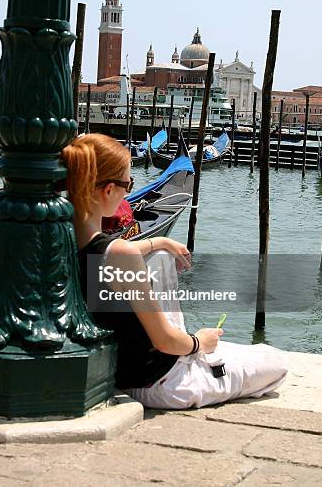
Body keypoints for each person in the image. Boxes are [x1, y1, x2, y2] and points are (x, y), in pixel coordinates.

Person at [61, 134, 287, 409]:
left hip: (120, 372)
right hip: (165, 382)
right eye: (127, 184)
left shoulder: (63, 241)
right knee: (275, 360)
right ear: (108, 191)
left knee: (160, 256)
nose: (128, 190)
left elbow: (115, 252)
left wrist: (160, 241)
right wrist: (198, 342)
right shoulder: (121, 254)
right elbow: (165, 340)